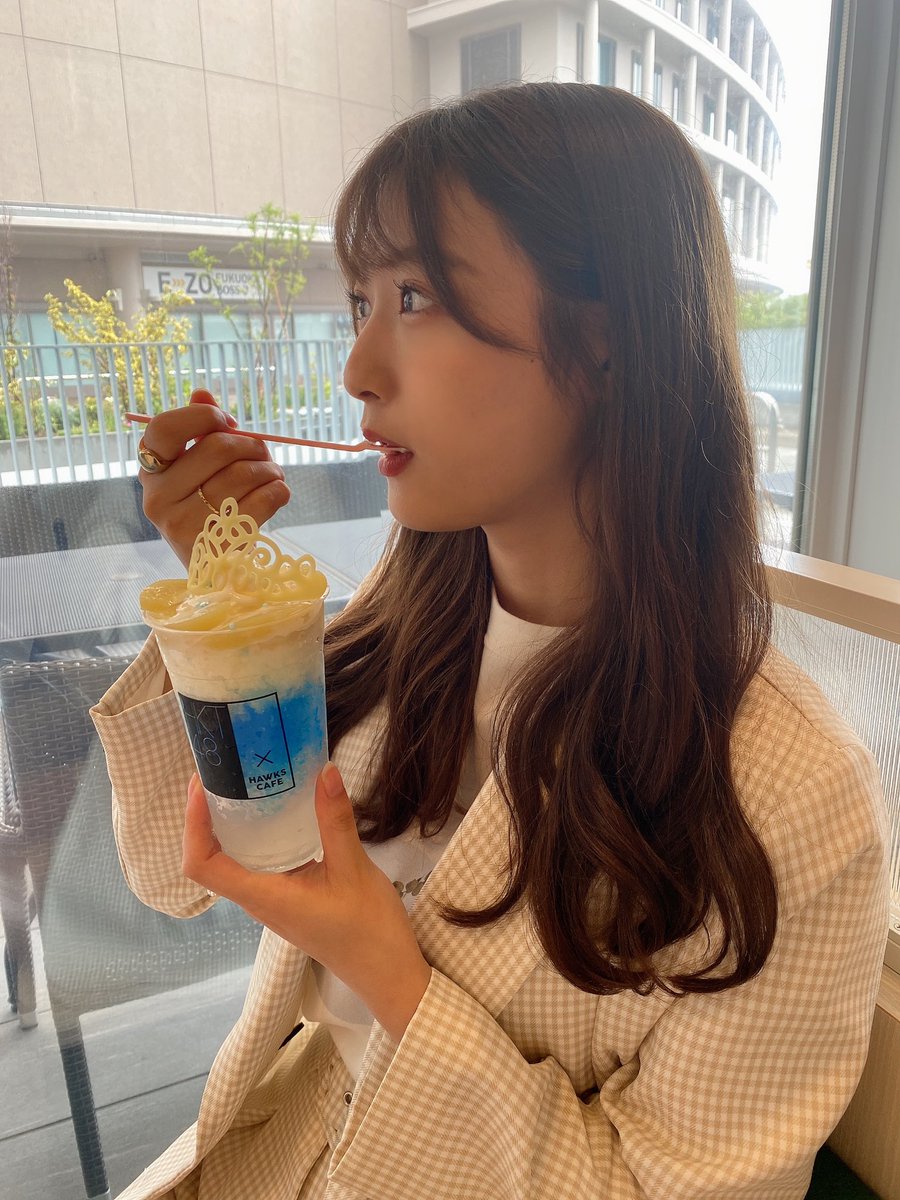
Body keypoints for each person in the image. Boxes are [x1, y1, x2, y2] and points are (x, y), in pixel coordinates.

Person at [92, 82, 889, 1199]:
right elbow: (174, 873)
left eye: (415, 296)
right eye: (361, 301)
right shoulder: (397, 630)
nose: (357, 370)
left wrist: (390, 973)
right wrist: (222, 592)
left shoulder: (793, 799)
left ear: (606, 336)